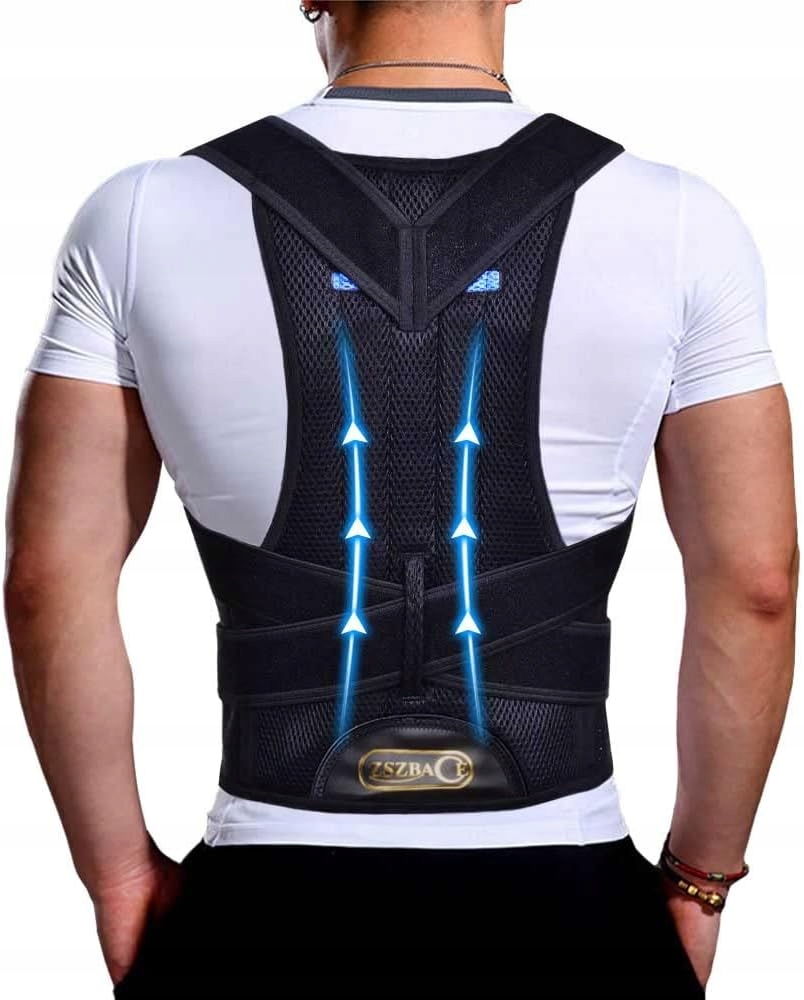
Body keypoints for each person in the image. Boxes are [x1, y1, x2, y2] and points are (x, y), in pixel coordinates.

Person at [4, 1, 797, 997]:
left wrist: (116, 875)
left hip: (263, 900)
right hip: (571, 896)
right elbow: (756, 585)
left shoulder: (141, 216)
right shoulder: (680, 221)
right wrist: (699, 880)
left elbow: (47, 582)